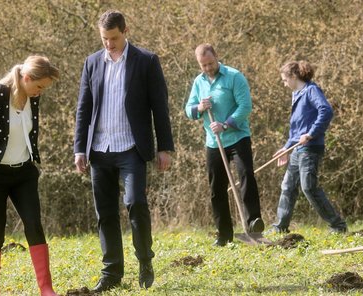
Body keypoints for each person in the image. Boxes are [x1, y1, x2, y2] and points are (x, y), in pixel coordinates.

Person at [74, 10, 174, 292]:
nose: (109, 44)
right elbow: (84, 109)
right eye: (104, 39)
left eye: (114, 38)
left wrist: (164, 147)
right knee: (104, 213)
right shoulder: (92, 63)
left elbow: (160, 107)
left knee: (135, 203)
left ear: (125, 31)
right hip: (99, 149)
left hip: (131, 148)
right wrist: (79, 148)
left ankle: (145, 260)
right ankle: (111, 273)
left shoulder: (146, 61)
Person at [0, 55, 60, 296]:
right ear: (26, 78)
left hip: (24, 174)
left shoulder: (32, 98)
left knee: (34, 226)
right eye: (38, 86)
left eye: (44, 89)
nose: (40, 93)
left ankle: (46, 289)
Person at [185, 44, 264, 247]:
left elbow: (245, 106)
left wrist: (225, 124)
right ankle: (224, 234)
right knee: (216, 188)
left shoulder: (234, 76)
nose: (208, 68)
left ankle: (253, 224)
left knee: (246, 175)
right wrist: (200, 108)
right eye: (203, 65)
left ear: (217, 57)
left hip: (238, 137)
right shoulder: (199, 82)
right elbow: (188, 110)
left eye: (210, 63)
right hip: (213, 142)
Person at [270, 60, 347, 233]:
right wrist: (286, 147)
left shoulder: (311, 90)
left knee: (308, 187)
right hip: (297, 149)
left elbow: (326, 111)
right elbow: (297, 128)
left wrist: (311, 133)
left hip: (310, 149)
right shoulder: (296, 94)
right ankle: (280, 227)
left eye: (284, 80)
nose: (284, 84)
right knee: (288, 186)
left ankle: (337, 226)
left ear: (294, 76)